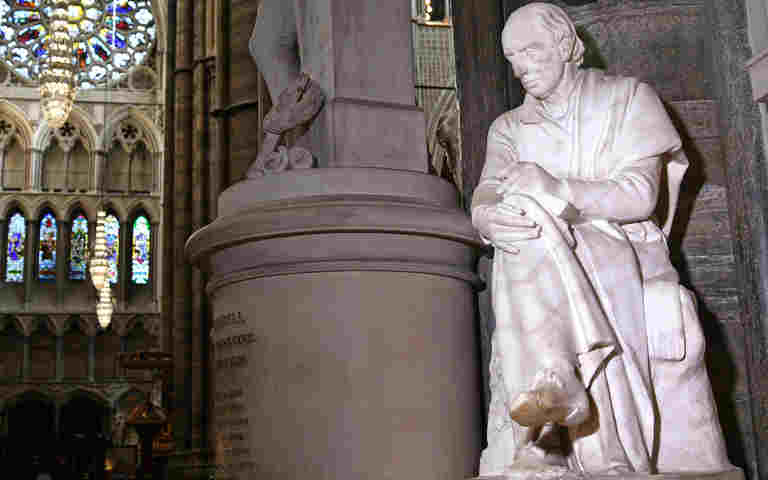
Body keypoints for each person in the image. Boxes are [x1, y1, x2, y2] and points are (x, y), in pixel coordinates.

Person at [472, 3, 732, 475]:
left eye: (532, 50)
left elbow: (638, 196)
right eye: (512, 57)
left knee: (540, 232)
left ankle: (550, 437)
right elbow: (490, 188)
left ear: (569, 45)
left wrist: (558, 190)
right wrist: (487, 217)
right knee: (526, 232)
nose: (521, 67)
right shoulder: (508, 128)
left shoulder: (629, 98)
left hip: (624, 246)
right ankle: (565, 397)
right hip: (537, 250)